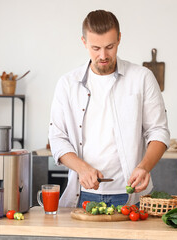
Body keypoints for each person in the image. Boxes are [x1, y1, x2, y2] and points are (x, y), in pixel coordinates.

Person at [48, 10, 170, 208]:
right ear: (84, 42)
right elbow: (57, 138)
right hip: (82, 195)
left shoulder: (142, 77)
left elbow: (158, 130)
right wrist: (82, 168)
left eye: (110, 47)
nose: (103, 55)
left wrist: (144, 167)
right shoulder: (67, 84)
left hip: (132, 196)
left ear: (119, 39)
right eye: (95, 48)